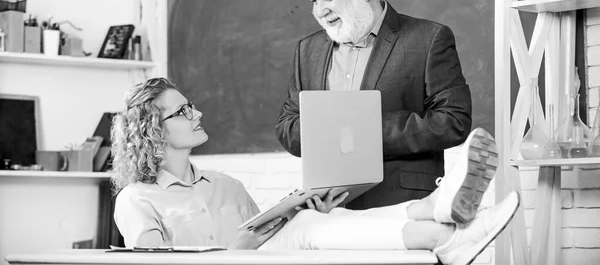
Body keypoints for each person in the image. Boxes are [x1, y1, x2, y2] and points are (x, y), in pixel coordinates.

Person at [111, 78, 518, 265]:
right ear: (151, 127)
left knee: (311, 219)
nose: (196, 112)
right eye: (182, 110)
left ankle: (439, 221)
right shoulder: (137, 199)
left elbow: (267, 235)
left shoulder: (225, 185)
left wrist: (303, 211)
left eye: (191, 104)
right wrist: (237, 249)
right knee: (304, 226)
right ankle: (442, 223)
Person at [276, 0, 473, 209]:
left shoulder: (428, 38)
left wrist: (362, 131)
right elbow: (287, 125)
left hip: (403, 206)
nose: (320, 11)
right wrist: (327, 133)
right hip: (327, 209)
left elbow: (453, 121)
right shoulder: (307, 49)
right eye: (314, 1)